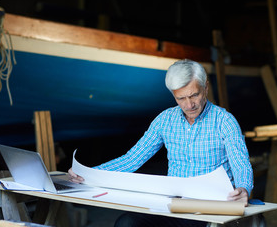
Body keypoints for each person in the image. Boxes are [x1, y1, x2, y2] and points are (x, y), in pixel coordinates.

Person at [68, 59, 253, 227]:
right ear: (173, 95)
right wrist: (88, 174)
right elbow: (132, 158)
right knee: (126, 223)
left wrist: (243, 188)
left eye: (194, 95)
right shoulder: (165, 120)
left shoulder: (225, 121)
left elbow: (240, 163)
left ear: (205, 87)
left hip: (210, 209)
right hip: (173, 205)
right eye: (181, 98)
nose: (189, 105)